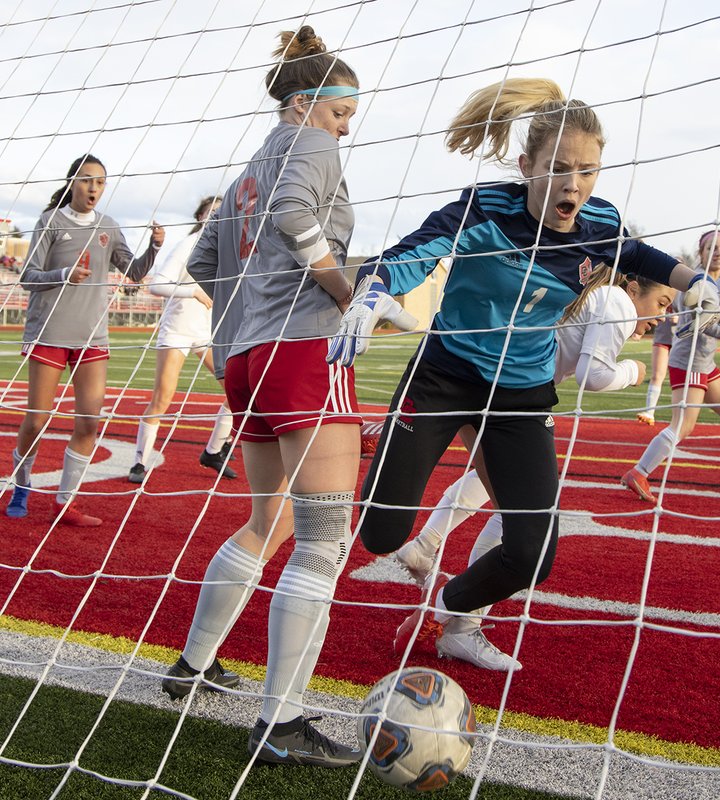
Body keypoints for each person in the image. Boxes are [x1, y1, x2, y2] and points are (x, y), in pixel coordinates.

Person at [328, 78, 720, 677]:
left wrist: (695, 280)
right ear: (526, 166)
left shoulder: (599, 222)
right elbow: (414, 251)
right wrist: (375, 289)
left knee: (531, 557)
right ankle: (419, 560)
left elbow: (637, 254)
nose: (574, 184)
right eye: (560, 168)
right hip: (445, 374)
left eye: (588, 171)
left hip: (522, 391)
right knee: (382, 534)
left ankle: (446, 612)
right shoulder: (484, 208)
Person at [164, 26, 401, 769]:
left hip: (249, 359)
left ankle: (192, 665)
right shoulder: (309, 145)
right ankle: (282, 722)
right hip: (302, 351)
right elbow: (300, 215)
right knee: (323, 540)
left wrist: (242, 324)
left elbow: (205, 256)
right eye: (341, 109)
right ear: (304, 102)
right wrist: (347, 290)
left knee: (267, 522)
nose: (347, 123)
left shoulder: (243, 174)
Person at [395, 264, 676, 670]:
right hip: (507, 392)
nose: (663, 315)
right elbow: (592, 374)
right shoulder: (616, 300)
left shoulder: (600, 297)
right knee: (524, 514)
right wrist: (634, 372)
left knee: (501, 490)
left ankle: (429, 552)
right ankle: (455, 618)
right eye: (662, 303)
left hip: (480, 378)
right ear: (633, 287)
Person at [5, 154, 164, 525]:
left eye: (100, 183)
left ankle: (66, 503)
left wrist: (154, 246)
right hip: (49, 334)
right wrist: (65, 274)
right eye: (86, 180)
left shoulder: (109, 226)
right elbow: (28, 277)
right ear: (72, 182)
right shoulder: (49, 221)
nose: (93, 188)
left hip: (92, 337)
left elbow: (135, 273)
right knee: (37, 420)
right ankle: (22, 485)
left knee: (89, 423)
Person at [620, 229, 720, 501]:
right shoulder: (697, 283)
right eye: (712, 248)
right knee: (683, 426)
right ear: (701, 252)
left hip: (704, 363)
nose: (719, 253)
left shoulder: (716, 282)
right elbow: (696, 325)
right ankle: (639, 472)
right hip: (688, 363)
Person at [128, 196, 237, 484]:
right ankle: (139, 463)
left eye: (221, 212)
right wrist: (194, 293)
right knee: (162, 398)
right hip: (176, 329)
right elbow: (157, 284)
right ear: (201, 216)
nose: (217, 216)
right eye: (212, 212)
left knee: (236, 391)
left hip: (206, 333)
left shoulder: (226, 250)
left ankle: (214, 451)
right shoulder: (188, 244)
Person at [635, 306, 675, 425]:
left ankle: (682, 415)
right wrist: (639, 329)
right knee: (657, 376)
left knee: (682, 379)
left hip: (682, 339)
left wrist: (681, 317)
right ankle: (649, 412)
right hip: (662, 336)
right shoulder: (666, 291)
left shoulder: (690, 291)